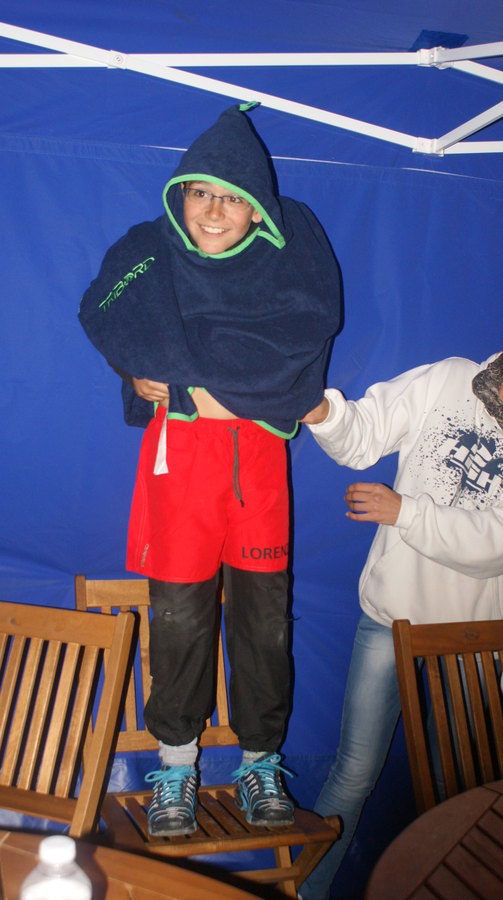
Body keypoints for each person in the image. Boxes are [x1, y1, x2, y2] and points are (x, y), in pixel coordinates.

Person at [78, 102, 341, 838]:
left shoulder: (292, 261)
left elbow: (293, 375)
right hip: (181, 470)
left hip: (256, 470)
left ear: (260, 212)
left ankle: (261, 761)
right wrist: (144, 376)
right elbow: (116, 322)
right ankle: (175, 765)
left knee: (264, 620)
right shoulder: (150, 251)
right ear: (179, 196)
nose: (215, 209)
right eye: (200, 192)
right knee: (179, 616)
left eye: (232, 196)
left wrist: (195, 390)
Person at [298, 350, 503, 899]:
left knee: (458, 790)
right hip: (392, 616)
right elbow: (365, 432)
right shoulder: (450, 378)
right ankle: (305, 894)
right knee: (352, 774)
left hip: (470, 641)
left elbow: (497, 544)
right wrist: (323, 412)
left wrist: (405, 512)